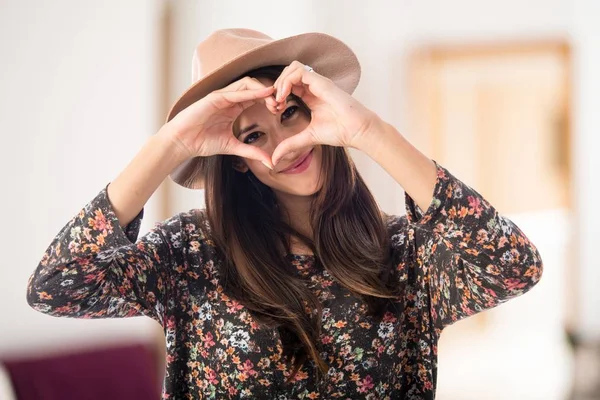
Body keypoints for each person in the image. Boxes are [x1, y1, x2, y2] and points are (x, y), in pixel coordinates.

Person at [26, 28, 544, 399]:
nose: (286, 145)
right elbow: (57, 286)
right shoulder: (190, 253)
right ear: (238, 163)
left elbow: (513, 266)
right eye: (252, 136)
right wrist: (174, 141)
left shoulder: (405, 255)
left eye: (288, 114)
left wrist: (368, 132)